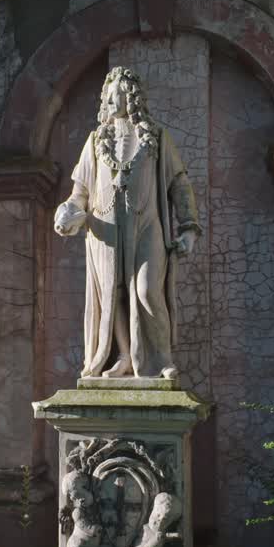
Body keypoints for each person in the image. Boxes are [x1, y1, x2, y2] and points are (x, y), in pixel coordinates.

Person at [54, 66, 202, 380]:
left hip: (147, 224)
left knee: (147, 290)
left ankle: (161, 359)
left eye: (117, 93)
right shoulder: (95, 141)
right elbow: (79, 192)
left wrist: (188, 227)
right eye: (107, 94)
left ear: (131, 96)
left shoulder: (156, 137)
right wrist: (67, 211)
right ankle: (124, 358)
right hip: (105, 230)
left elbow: (179, 183)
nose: (110, 100)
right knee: (113, 293)